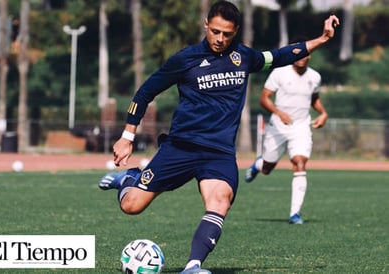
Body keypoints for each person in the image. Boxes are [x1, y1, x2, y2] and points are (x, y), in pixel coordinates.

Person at [99, 1, 339, 272]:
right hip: (181, 147)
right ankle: (129, 179)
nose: (220, 39)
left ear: (235, 31)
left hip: (219, 152)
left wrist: (322, 39)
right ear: (206, 25)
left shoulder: (244, 57)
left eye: (227, 34)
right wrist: (127, 136)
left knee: (220, 201)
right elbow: (144, 93)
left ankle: (193, 266)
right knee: (132, 206)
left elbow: (281, 55)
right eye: (215, 31)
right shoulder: (185, 59)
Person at [244, 38, 329, 225]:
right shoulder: (279, 73)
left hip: (301, 127)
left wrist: (323, 113)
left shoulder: (315, 77)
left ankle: (295, 214)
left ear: (310, 56)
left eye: (305, 53)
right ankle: (258, 165)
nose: (301, 56)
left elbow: (314, 98)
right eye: (298, 52)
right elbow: (264, 98)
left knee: (300, 162)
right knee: (268, 168)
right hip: (278, 126)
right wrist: (279, 112)